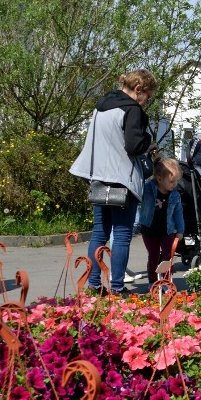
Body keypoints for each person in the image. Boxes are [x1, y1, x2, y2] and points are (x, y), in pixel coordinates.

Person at [70, 68, 157, 295]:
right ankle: (117, 288)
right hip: (121, 180)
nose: (147, 101)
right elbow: (133, 146)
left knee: (99, 233)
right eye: (147, 96)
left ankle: (94, 286)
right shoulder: (132, 110)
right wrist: (148, 140)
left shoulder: (101, 106)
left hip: (98, 177)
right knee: (121, 235)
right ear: (138, 89)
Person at [138, 158, 185, 287]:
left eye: (176, 181)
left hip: (167, 230)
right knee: (153, 256)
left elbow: (178, 213)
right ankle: (152, 281)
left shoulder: (175, 195)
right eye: (171, 181)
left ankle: (165, 281)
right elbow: (138, 191)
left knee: (167, 256)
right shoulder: (147, 189)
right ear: (159, 179)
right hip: (149, 229)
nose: (174, 184)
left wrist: (180, 230)